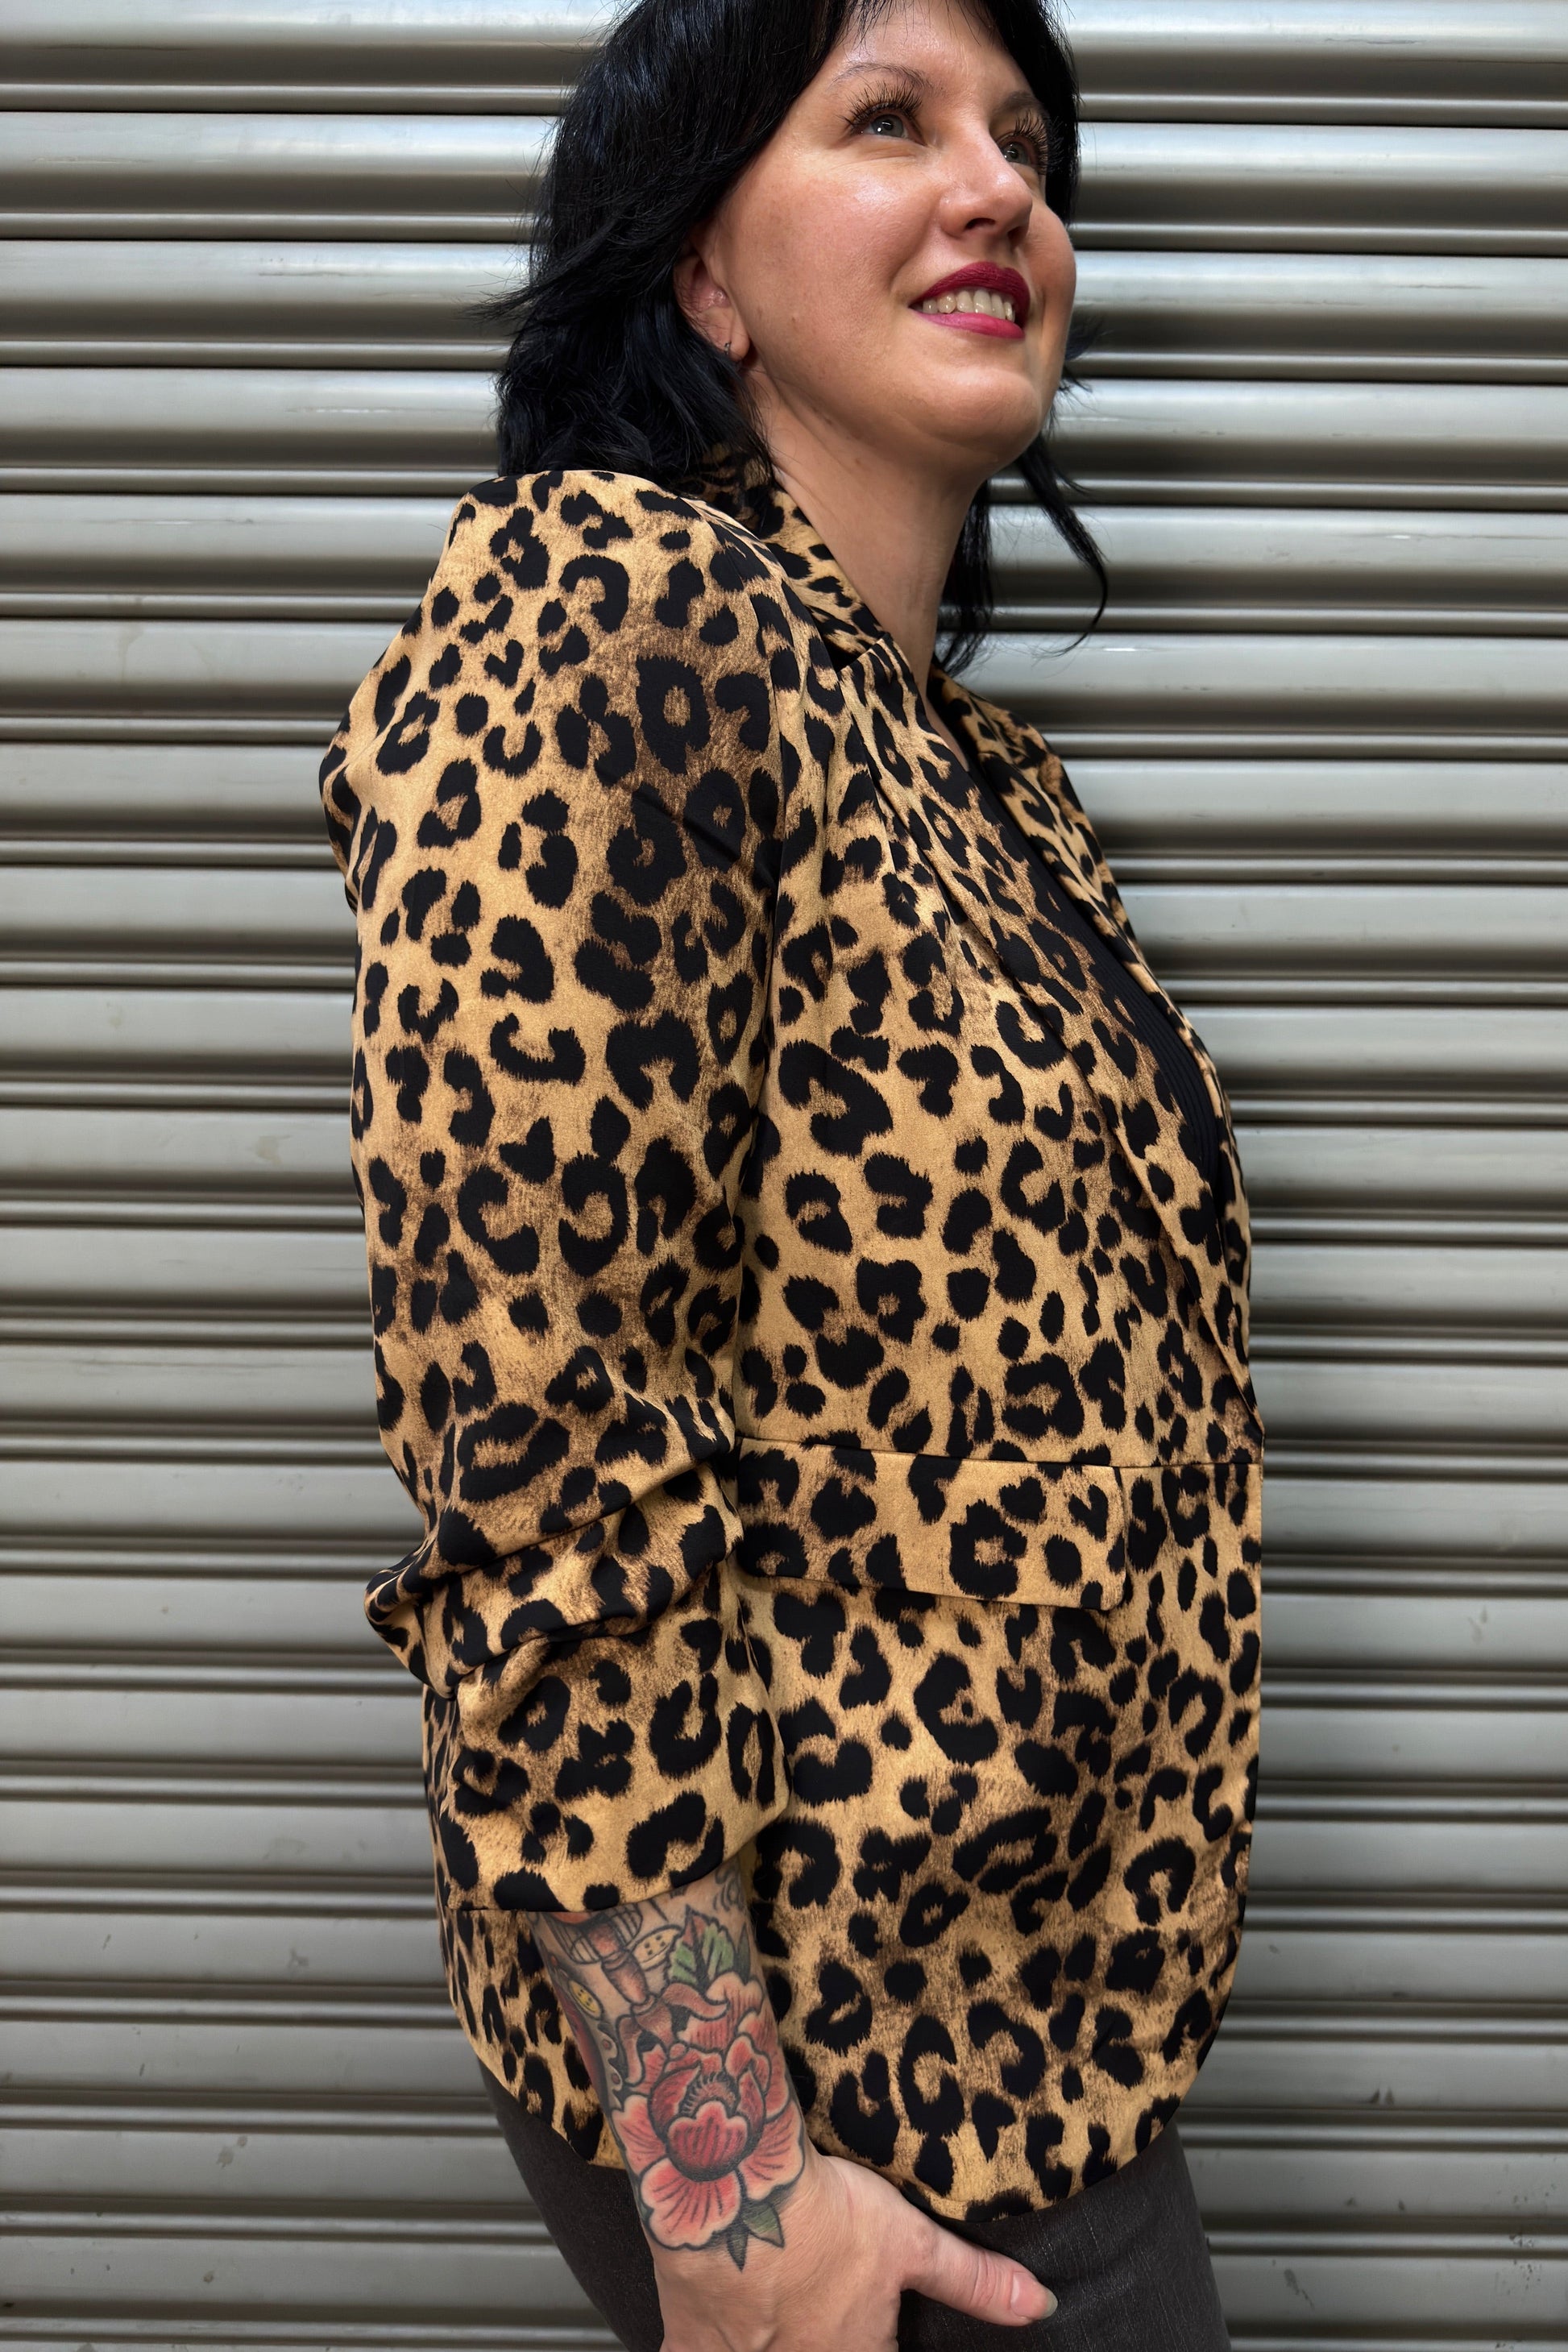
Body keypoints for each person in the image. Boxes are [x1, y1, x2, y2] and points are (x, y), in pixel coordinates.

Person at [318, 1, 1263, 2344]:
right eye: (888, 121)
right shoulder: (613, 610)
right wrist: (729, 2181)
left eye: (1023, 141)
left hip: (1031, 2051)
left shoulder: (973, 781)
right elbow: (537, 1439)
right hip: (835, 2100)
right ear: (704, 275)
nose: (1001, 189)